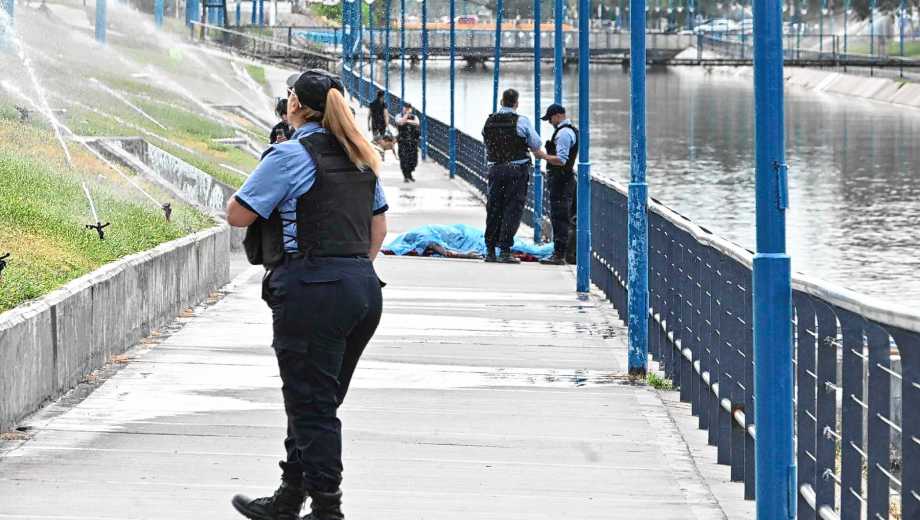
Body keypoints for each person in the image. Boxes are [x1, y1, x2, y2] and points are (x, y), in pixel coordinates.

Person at [226, 69, 389, 520]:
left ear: (295, 104)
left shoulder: (289, 155)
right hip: (362, 289)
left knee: (312, 406)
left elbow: (238, 214)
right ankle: (288, 498)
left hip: (311, 290)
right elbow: (378, 229)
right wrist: (348, 269)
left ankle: (327, 510)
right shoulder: (361, 153)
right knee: (317, 400)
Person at [481, 88, 545, 264]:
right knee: (512, 209)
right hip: (516, 171)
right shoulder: (521, 121)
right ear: (516, 103)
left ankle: (490, 250)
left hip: (495, 169)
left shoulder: (489, 121)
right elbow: (536, 143)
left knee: (494, 208)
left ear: (501, 102)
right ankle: (505, 250)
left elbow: (486, 140)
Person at [539, 103, 579, 266]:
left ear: (557, 116)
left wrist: (542, 155)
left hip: (561, 181)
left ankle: (559, 255)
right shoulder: (570, 130)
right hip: (565, 180)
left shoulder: (563, 134)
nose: (549, 122)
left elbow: (561, 160)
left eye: (550, 119)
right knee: (566, 218)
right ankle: (566, 253)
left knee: (560, 218)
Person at [395, 103, 420, 183]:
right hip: (403, 141)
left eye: (408, 108)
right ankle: (406, 176)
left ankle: (410, 173)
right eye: (405, 108)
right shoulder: (398, 116)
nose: (407, 110)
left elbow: (417, 123)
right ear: (403, 108)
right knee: (404, 159)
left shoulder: (414, 117)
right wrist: (406, 115)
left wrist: (407, 121)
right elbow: (400, 122)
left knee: (413, 160)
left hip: (413, 142)